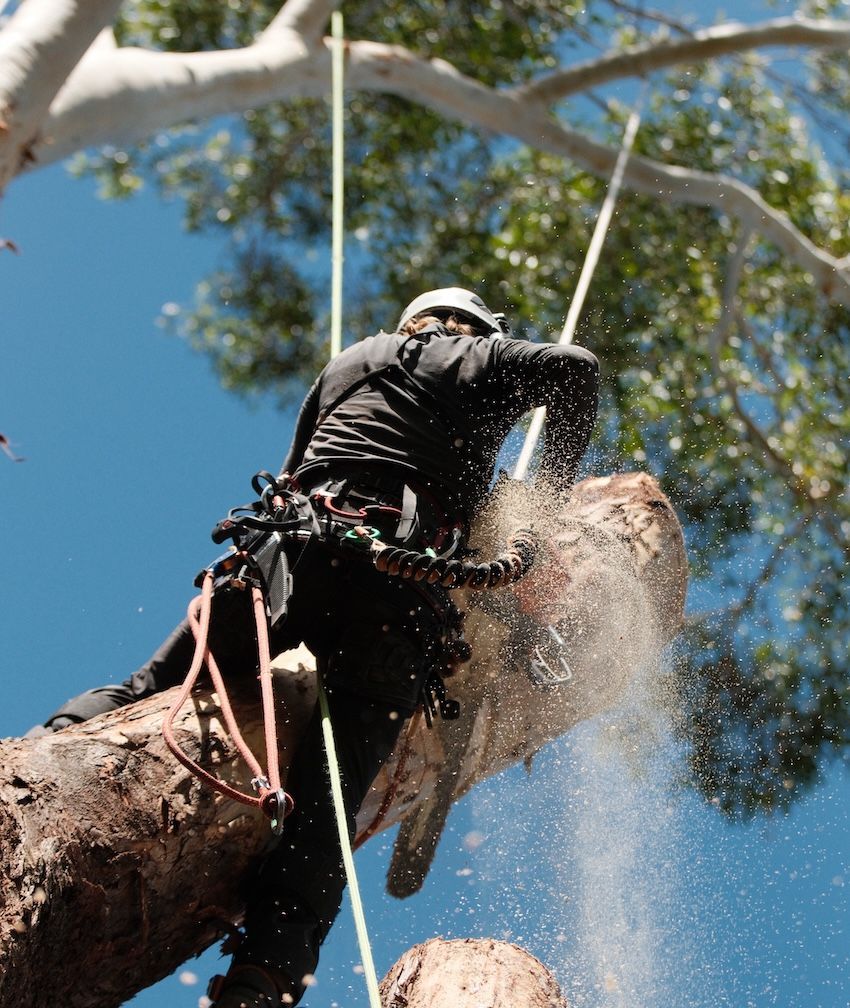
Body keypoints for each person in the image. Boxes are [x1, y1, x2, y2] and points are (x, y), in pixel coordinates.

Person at [30, 288, 599, 1007]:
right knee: (327, 813)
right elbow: (574, 369)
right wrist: (541, 515)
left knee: (151, 685)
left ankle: (40, 748)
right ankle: (262, 979)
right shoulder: (468, 351)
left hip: (286, 563)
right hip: (392, 604)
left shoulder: (348, 365)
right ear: (469, 327)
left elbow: (305, 472)